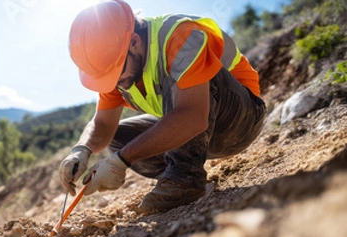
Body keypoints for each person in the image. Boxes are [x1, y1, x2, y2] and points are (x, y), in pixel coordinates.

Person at [59, 0, 267, 214]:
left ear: (135, 42)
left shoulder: (180, 37)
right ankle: (176, 175)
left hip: (239, 121)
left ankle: (184, 179)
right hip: (200, 131)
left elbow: (192, 115)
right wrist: (81, 149)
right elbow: (102, 124)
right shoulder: (117, 68)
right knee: (119, 137)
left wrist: (122, 160)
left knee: (189, 76)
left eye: (115, 73)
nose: (113, 83)